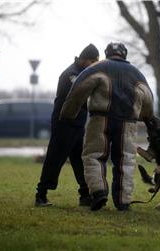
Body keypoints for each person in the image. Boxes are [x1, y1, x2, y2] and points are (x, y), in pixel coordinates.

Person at [60, 42, 154, 211]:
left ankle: (99, 192)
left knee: (94, 156)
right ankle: (123, 201)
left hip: (100, 119)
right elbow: (148, 100)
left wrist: (68, 113)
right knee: (125, 160)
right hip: (128, 123)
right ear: (124, 54)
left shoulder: (97, 68)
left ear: (107, 53)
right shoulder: (137, 74)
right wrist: (144, 117)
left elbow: (78, 90)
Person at [35, 44, 99, 207]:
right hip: (64, 124)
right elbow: (80, 95)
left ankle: (85, 195)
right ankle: (41, 195)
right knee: (55, 159)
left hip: (76, 125)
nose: (94, 65)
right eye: (93, 61)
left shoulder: (83, 73)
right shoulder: (71, 75)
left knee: (79, 161)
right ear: (84, 59)